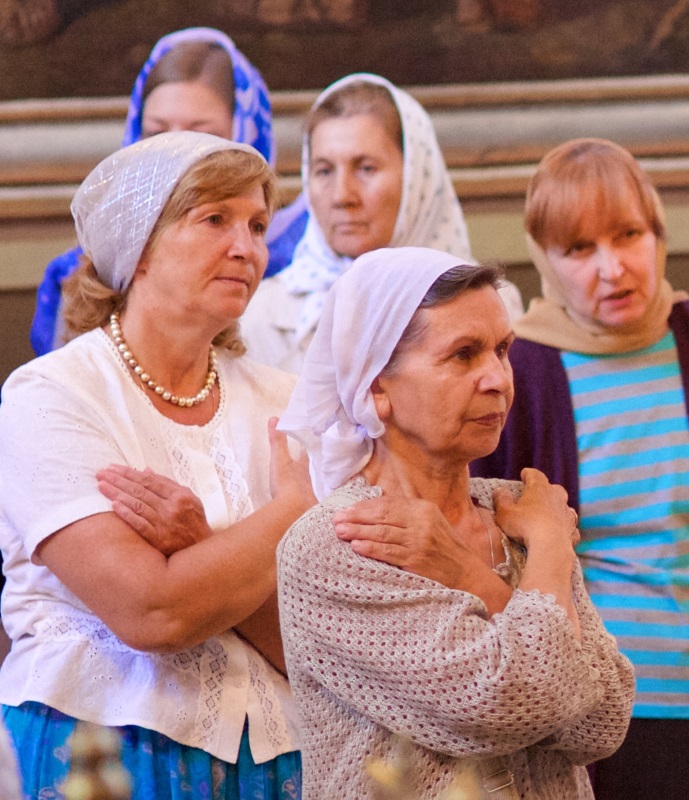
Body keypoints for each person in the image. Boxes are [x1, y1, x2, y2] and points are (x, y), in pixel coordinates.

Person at [0, 131, 315, 799]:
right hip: (98, 752)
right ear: (139, 244)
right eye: (215, 219)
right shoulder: (51, 395)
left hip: (278, 760)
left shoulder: (285, 402)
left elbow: (318, 652)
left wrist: (198, 546)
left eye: (258, 225)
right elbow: (151, 612)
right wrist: (293, 510)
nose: (246, 247)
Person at [275, 246, 635, 799]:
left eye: (502, 350)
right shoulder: (336, 544)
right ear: (377, 386)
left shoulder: (517, 510)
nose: (498, 379)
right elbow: (507, 701)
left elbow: (604, 722)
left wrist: (477, 575)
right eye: (464, 354)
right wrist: (550, 546)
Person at [470, 137, 689, 799]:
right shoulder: (522, 371)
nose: (612, 268)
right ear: (543, 257)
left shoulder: (684, 335)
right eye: (579, 248)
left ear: (658, 234)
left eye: (628, 235)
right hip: (605, 709)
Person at [30, 26, 308, 356]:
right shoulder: (81, 272)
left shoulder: (303, 265)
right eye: (156, 134)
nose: (174, 155)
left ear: (247, 138)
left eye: (202, 136)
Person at [240, 73, 524, 374]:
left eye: (366, 168)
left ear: (415, 179)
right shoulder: (260, 314)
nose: (342, 196)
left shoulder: (491, 304)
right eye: (324, 171)